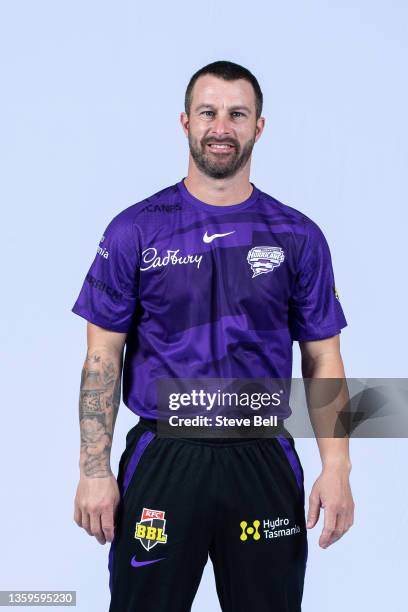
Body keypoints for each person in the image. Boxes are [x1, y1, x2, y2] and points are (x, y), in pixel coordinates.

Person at [72, 60, 354, 612]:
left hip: (263, 457)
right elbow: (101, 356)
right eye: (208, 112)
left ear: (258, 127)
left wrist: (338, 468)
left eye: (237, 114)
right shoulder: (135, 229)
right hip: (164, 456)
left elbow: (324, 358)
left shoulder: (298, 236)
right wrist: (94, 471)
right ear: (185, 122)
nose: (221, 127)